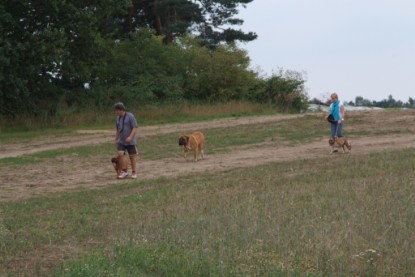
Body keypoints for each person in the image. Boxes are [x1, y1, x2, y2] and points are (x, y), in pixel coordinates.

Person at [114, 102, 138, 179]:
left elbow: (135, 127)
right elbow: (118, 130)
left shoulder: (130, 116)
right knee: (120, 154)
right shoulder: (117, 118)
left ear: (122, 110)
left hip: (130, 141)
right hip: (121, 141)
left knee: (132, 157)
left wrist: (130, 137)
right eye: (116, 110)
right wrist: (116, 139)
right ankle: (124, 171)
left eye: (117, 110)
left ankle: (134, 172)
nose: (116, 112)